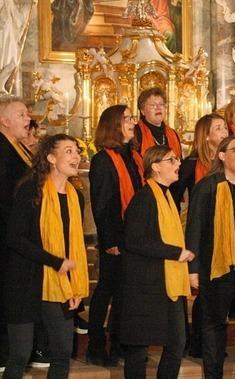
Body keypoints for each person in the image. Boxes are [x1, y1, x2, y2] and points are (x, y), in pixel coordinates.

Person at [4, 134, 89, 378]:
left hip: (60, 285)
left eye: (77, 151)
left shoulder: (76, 197)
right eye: (69, 151)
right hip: (25, 281)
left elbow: (75, 247)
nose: (76, 156)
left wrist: (75, 288)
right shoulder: (31, 189)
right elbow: (16, 238)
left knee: (62, 353)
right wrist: (56, 261)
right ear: (51, 158)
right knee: (20, 355)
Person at [119, 146, 195, 378]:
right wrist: (176, 252)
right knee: (138, 349)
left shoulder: (167, 196)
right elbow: (135, 241)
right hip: (146, 285)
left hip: (168, 283)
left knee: (177, 344)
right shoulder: (144, 198)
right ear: (155, 167)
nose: (178, 164)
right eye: (171, 160)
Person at [185, 135, 235, 378]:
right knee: (214, 326)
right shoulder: (208, 185)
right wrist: (193, 268)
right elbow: (194, 228)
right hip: (216, 268)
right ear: (222, 156)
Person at [87, 105, 144, 366]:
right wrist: (109, 241)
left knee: (126, 294)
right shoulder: (102, 159)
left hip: (133, 237)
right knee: (106, 291)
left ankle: (121, 344)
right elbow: (102, 204)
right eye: (126, 119)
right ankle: (96, 347)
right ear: (113, 124)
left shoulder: (133, 156)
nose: (132, 122)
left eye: (132, 118)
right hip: (116, 238)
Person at [0, 98, 31, 368]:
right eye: (21, 114)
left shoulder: (17, 147)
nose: (28, 119)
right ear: (4, 121)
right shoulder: (2, 148)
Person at [171, 113, 228, 205]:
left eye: (225, 127)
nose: (225, 132)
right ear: (206, 136)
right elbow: (174, 197)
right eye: (218, 128)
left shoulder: (229, 160)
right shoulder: (191, 164)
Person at [134, 87, 182, 158]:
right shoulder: (136, 132)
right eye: (153, 105)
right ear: (142, 111)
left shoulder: (173, 133)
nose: (158, 108)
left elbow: (180, 161)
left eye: (161, 104)